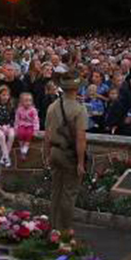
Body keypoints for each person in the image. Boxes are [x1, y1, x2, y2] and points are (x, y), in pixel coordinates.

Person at [44, 73, 88, 234]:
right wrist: (81, 163)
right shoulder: (79, 109)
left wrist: (47, 155)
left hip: (55, 151)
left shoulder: (52, 107)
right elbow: (80, 139)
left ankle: (53, 227)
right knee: (69, 193)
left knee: (56, 191)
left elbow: (47, 135)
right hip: (69, 154)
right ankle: (65, 230)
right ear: (76, 88)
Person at [0, 84, 17, 168]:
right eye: (3, 95)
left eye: (7, 95)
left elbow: (13, 118)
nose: (5, 97)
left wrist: (9, 125)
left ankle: (4, 157)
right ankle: (7, 158)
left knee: (12, 135)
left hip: (9, 126)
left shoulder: (11, 105)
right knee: (1, 136)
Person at [14, 91, 41, 166]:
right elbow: (17, 119)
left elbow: (36, 120)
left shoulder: (33, 110)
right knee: (20, 133)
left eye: (30, 100)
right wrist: (16, 127)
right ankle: (21, 146)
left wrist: (36, 129)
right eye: (26, 101)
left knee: (29, 133)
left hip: (30, 125)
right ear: (22, 102)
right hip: (22, 124)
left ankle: (25, 148)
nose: (28, 102)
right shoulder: (19, 110)